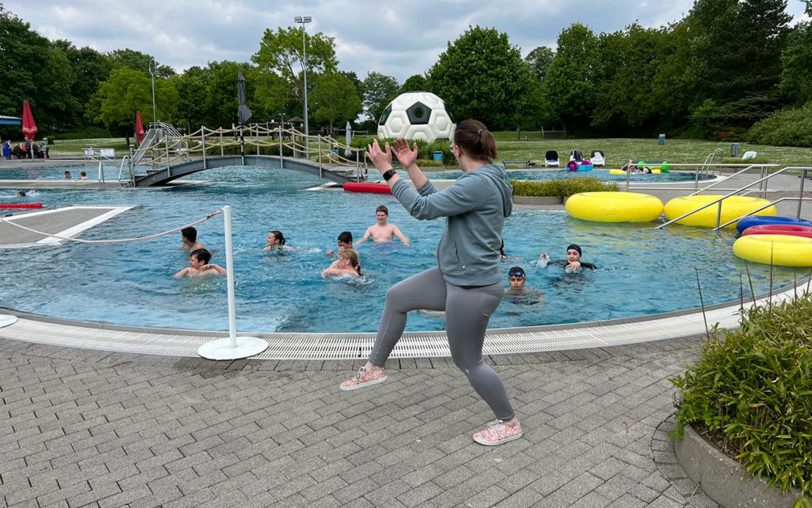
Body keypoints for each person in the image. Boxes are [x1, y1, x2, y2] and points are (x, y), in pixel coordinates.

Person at [340, 119, 522, 446]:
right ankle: (375, 367)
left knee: (468, 362)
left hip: (473, 288)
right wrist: (410, 167)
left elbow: (423, 209)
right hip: (456, 277)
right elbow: (438, 201)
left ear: (456, 149)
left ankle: (509, 422)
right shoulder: (484, 179)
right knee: (397, 297)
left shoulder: (478, 183)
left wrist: (387, 170)